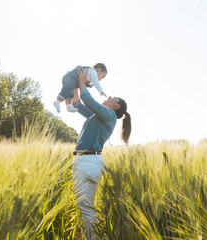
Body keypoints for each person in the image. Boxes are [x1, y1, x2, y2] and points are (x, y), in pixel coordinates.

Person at [72, 68, 131, 239]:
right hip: (84, 161)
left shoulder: (110, 115)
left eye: (114, 97)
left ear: (116, 105)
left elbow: (88, 99)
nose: (110, 96)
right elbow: (78, 105)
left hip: (89, 161)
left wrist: (83, 80)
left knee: (87, 208)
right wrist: (77, 85)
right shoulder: (97, 115)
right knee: (84, 206)